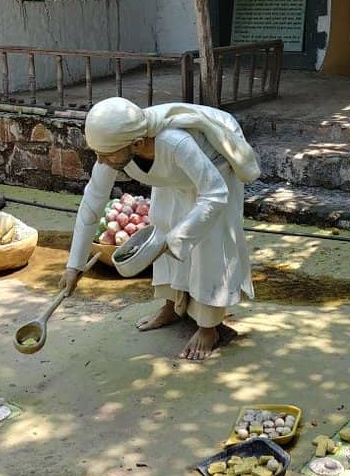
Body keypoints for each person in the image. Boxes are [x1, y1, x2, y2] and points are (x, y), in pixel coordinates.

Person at [60, 98, 259, 360]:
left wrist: (178, 238)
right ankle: (172, 305)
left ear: (138, 144)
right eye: (97, 153)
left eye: (106, 154)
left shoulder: (174, 142)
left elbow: (215, 193)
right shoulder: (115, 148)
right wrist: (74, 265)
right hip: (173, 173)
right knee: (162, 223)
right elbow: (91, 204)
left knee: (210, 240)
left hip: (215, 164)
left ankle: (209, 326)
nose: (101, 161)